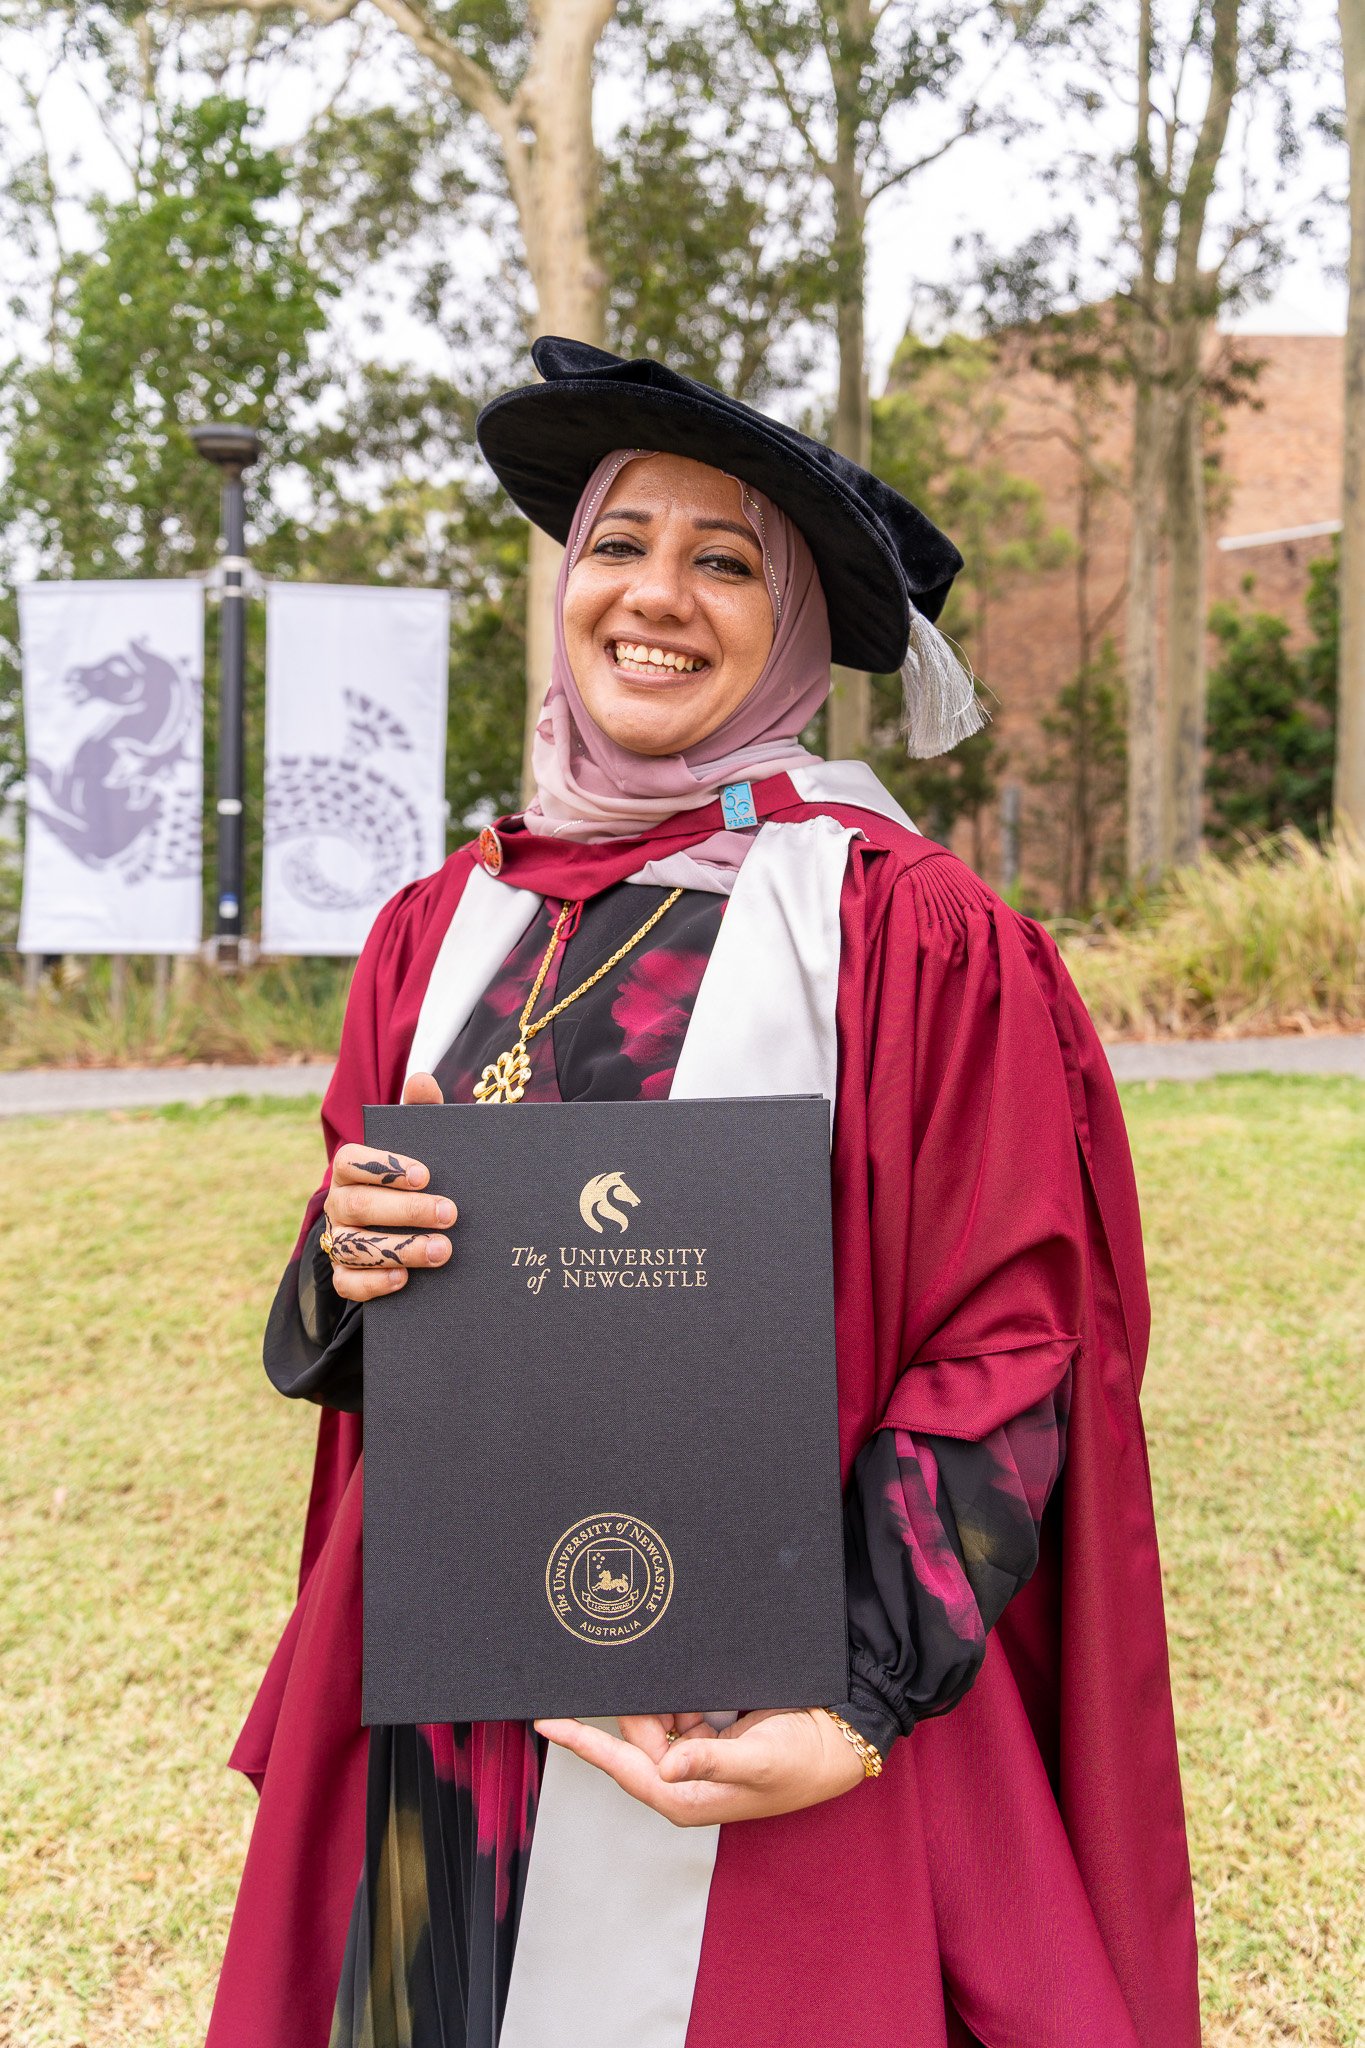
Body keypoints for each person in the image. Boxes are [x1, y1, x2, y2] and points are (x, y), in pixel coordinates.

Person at [206, 338, 1200, 2048]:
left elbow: (1008, 1335)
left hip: (771, 1701)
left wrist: (854, 1694)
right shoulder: (439, 923)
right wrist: (343, 1269)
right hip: (453, 1738)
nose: (652, 595)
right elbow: (364, 1292)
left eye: (722, 558)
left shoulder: (907, 934)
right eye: (614, 542)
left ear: (796, 633)